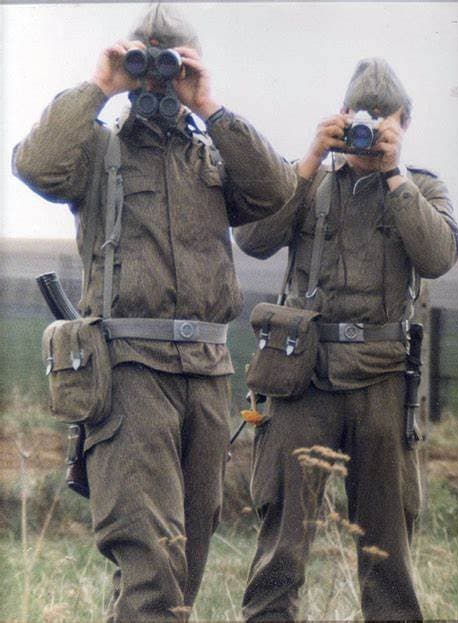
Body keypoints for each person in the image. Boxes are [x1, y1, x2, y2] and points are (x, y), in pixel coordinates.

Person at [12, 5, 296, 622]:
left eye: (171, 65)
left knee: (185, 566)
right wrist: (102, 83)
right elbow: (36, 165)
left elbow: (276, 191)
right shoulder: (97, 150)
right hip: (130, 373)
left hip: (207, 373)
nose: (158, 80)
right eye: (147, 64)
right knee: (151, 569)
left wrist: (209, 106)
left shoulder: (212, 156)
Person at [234, 57, 458, 621]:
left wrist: (393, 174)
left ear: (405, 123)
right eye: (360, 118)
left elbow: (438, 257)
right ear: (341, 116)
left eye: (384, 121)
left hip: (383, 379)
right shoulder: (309, 180)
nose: (369, 132)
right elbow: (254, 239)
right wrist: (309, 160)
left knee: (387, 549)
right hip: (303, 375)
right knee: (282, 545)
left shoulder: (421, 187)